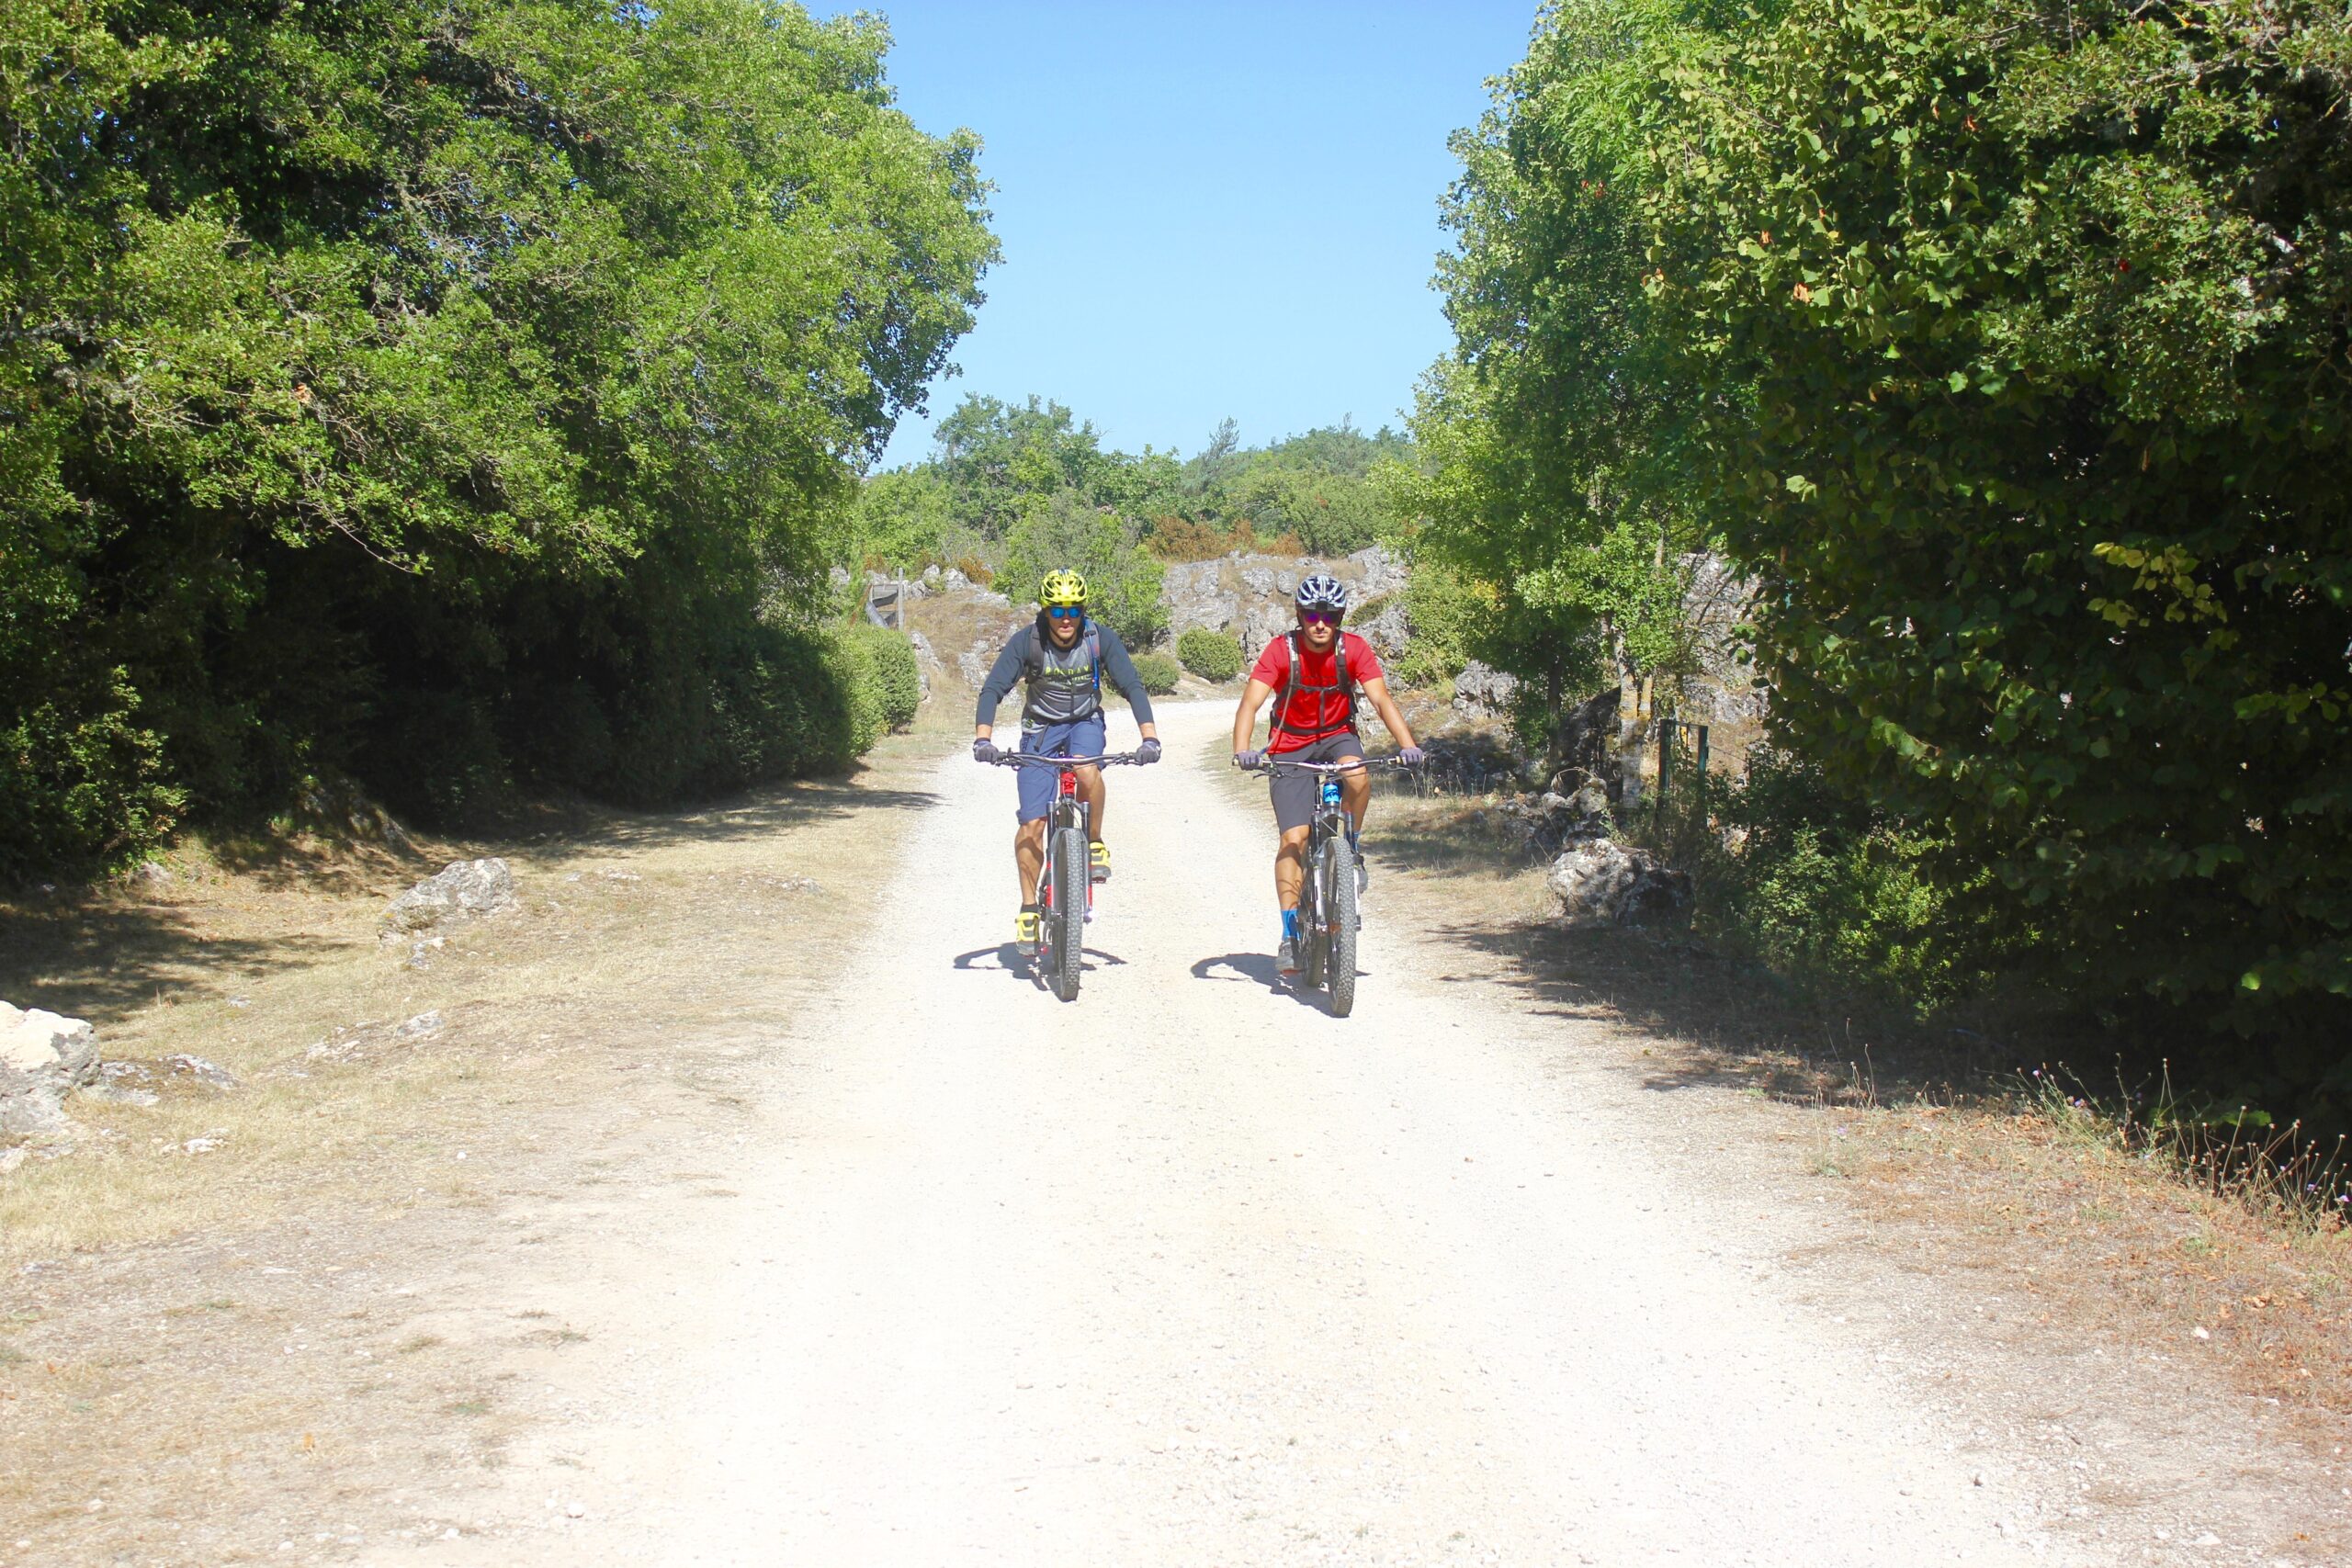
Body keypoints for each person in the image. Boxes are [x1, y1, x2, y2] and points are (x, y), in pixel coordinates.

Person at [1229, 574, 1425, 976]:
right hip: (1290, 745)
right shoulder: (1281, 652)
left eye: (1330, 616)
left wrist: (1408, 745)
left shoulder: (1353, 649)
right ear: (1300, 616)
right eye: (1313, 615)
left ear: (1340, 618)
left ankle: (1350, 847)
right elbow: (1249, 704)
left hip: (1337, 737)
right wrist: (1243, 751)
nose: (1321, 623)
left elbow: (1380, 699)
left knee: (1357, 777)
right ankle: (1289, 934)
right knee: (1293, 839)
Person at [973, 570, 1162, 953]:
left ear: (1082, 611)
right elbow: (993, 687)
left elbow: (1132, 685)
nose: (1065, 618)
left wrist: (1150, 737)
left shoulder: (1098, 639)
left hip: (1084, 722)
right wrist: (983, 737)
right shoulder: (1028, 642)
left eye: (1073, 610)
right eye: (1057, 609)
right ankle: (1029, 909)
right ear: (1045, 610)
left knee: (1085, 766)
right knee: (1032, 824)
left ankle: (1094, 842)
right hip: (1040, 730)